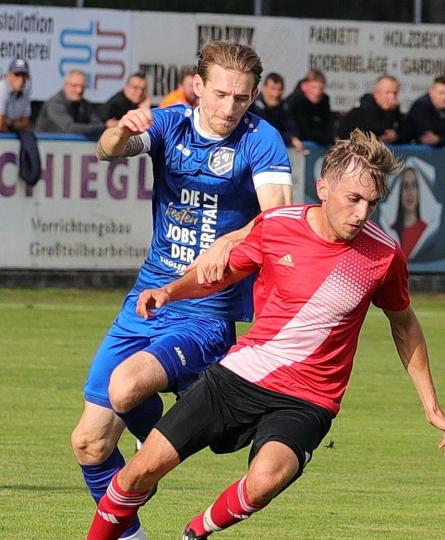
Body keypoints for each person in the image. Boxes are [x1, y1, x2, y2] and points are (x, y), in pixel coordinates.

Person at [86, 130, 445, 540]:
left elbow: (404, 324)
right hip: (241, 374)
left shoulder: (384, 254)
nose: (361, 213)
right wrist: (170, 291)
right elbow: (220, 273)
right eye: (353, 199)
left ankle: (195, 533)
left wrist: (431, 405)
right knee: (140, 471)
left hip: (310, 398)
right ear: (324, 188)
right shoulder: (277, 225)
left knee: (268, 478)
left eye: (372, 204)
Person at [73, 41, 293, 540]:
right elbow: (111, 150)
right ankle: (132, 529)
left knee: (126, 386)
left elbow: (276, 220)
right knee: (88, 443)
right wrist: (119, 131)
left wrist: (233, 241)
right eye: (220, 94)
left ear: (254, 94)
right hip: (145, 300)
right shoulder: (170, 124)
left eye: (241, 97)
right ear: (197, 86)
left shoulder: (262, 140)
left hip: (205, 310)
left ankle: (180, 427)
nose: (230, 107)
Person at [36, 70, 105, 137]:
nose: (79, 90)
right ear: (66, 85)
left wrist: (101, 127)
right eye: (75, 86)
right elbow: (70, 128)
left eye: (82, 87)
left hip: (73, 146)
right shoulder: (55, 104)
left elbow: (98, 123)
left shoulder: (84, 104)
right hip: (47, 145)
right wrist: (102, 127)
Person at [338, 75, 402, 143]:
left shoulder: (393, 107)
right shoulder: (366, 106)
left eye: (395, 93)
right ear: (376, 93)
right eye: (388, 93)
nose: (392, 97)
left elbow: (403, 129)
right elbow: (371, 131)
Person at [252, 72, 305, 153]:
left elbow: (294, 130)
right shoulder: (254, 107)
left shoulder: (282, 106)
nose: (276, 94)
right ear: (264, 88)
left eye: (279, 89)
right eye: (272, 89)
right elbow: (266, 132)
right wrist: (290, 139)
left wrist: (291, 138)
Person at [399, 75, 445, 146]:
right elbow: (429, 139)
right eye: (441, 93)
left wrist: (442, 139)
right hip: (409, 150)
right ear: (431, 92)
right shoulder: (421, 105)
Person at [284, 69, 335, 146]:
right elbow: (303, 131)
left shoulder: (324, 100)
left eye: (320, 88)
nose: (317, 92)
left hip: (319, 142)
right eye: (313, 87)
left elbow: (328, 125)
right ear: (304, 86)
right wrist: (329, 139)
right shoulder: (295, 101)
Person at [392, 167, 428, 257]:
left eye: (414, 186)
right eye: (405, 186)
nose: (410, 193)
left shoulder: (426, 232)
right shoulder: (390, 232)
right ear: (399, 192)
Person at [0, 58, 31, 132]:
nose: (21, 79)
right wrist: (12, 124)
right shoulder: (2, 88)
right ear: (8, 76)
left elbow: (25, 122)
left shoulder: (26, 88)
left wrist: (10, 124)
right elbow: (0, 125)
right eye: (17, 75)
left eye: (24, 75)